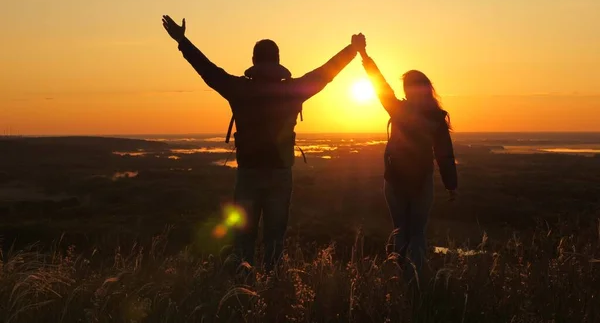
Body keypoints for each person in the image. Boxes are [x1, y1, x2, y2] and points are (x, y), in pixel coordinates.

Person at [162, 15, 364, 271]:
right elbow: (326, 73)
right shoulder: (293, 90)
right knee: (274, 240)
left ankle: (243, 293)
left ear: (254, 61)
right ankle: (271, 291)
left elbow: (208, 71)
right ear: (278, 61)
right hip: (280, 174)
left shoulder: (239, 89)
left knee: (243, 240)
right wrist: (352, 50)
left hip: (248, 175)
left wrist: (182, 41)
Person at [356, 35, 458, 283]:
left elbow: (379, 83)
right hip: (421, 181)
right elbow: (444, 154)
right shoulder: (436, 118)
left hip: (394, 179)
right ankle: (418, 280)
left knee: (400, 230)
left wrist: (364, 56)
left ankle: (398, 278)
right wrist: (451, 184)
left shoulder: (397, 109)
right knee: (417, 233)